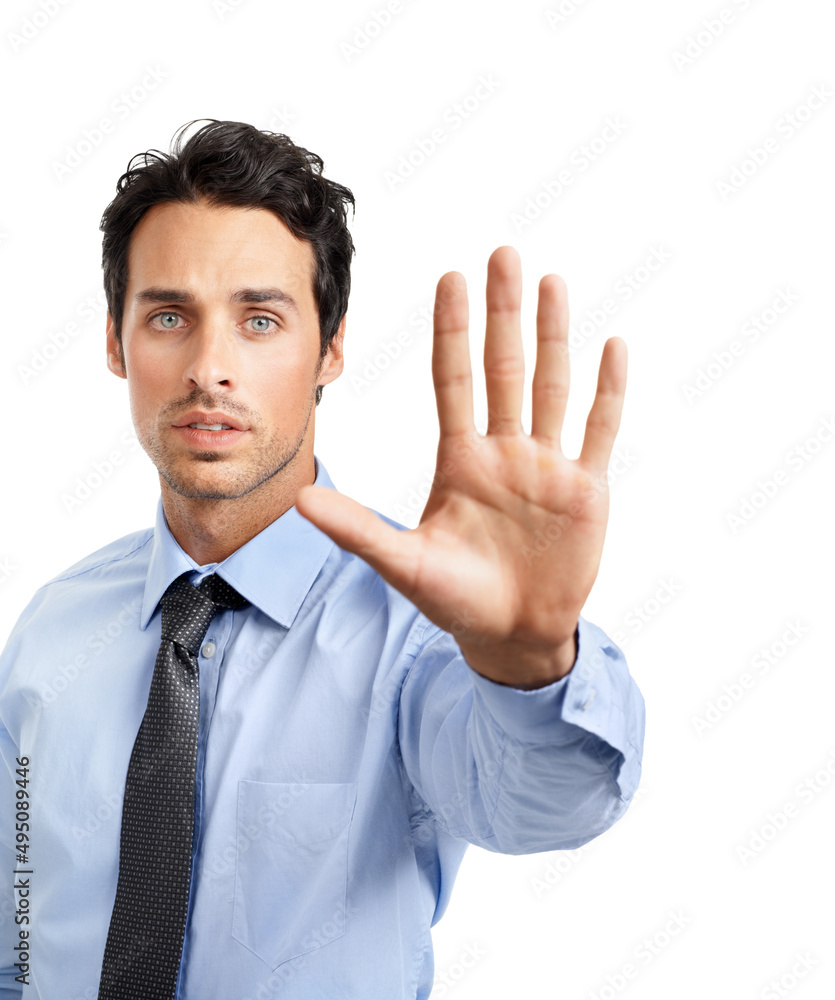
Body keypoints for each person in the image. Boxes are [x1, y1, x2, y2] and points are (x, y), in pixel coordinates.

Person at [0, 119, 645, 999]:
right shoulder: (53, 628)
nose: (209, 368)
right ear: (116, 344)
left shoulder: (420, 636)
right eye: (167, 317)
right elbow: (19, 932)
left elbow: (541, 805)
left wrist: (527, 664)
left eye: (259, 319)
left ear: (330, 350)